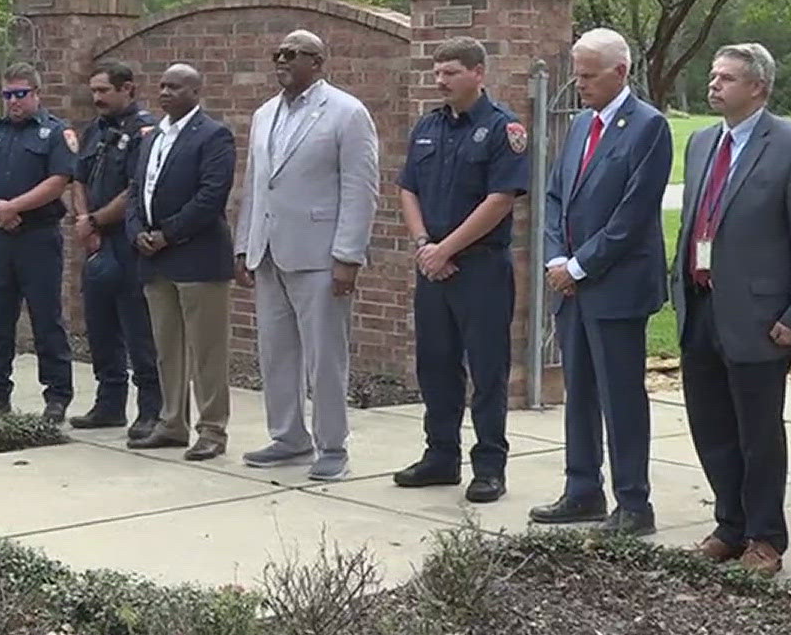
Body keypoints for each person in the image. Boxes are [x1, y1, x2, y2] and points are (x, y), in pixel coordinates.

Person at [672, 43, 791, 576]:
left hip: (762, 319)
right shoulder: (700, 143)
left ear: (758, 88)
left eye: (726, 78)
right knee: (711, 424)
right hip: (701, 309)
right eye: (713, 76)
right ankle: (730, 525)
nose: (713, 85)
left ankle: (765, 538)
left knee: (758, 431)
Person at [532, 27, 673, 536]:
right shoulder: (578, 126)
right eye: (576, 72)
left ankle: (634, 503)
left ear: (621, 72)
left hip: (616, 287)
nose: (579, 83)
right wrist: (555, 257)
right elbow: (554, 197)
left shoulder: (648, 128)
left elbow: (631, 215)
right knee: (581, 392)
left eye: (589, 75)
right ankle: (582, 489)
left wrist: (578, 266)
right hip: (571, 285)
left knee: (620, 396)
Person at [234, 29, 380, 480]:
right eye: (277, 53)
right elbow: (257, 182)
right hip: (270, 249)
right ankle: (289, 436)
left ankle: (332, 445)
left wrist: (348, 255)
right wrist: (244, 244)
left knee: (325, 355)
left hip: (320, 253)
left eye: (292, 54)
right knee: (276, 350)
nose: (281, 60)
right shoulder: (264, 114)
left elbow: (361, 187)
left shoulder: (346, 112)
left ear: (317, 62)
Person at [394, 37, 530, 504]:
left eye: (450, 72)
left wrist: (446, 248)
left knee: (487, 370)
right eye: (437, 73)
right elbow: (407, 188)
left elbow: (500, 199)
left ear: (478, 74)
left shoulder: (502, 129)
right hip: (433, 268)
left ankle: (489, 466)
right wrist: (423, 245)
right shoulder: (428, 127)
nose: (440, 81)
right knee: (435, 364)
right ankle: (440, 456)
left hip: (481, 268)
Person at [126, 64, 238, 460]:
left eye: (174, 86)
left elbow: (211, 196)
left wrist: (168, 233)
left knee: (206, 349)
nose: (164, 92)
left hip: (198, 258)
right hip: (155, 261)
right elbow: (138, 189)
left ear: (195, 90)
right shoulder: (153, 136)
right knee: (167, 347)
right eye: (161, 85)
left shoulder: (213, 135)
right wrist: (137, 229)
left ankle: (212, 429)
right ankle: (172, 422)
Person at [0, 63, 77, 421]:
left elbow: (59, 180)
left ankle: (56, 396)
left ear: (36, 94)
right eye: (7, 94)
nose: (13, 101)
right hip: (0, 238)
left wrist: (14, 207)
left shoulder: (54, 133)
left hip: (38, 237)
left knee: (46, 319)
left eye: (20, 94)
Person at [69, 61, 162, 439]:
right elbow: (78, 177)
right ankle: (109, 404)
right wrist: (83, 221)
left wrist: (95, 221)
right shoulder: (96, 130)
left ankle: (151, 410)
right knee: (100, 326)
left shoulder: (145, 132)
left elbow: (136, 189)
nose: (97, 98)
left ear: (128, 89)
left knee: (138, 329)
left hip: (127, 242)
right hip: (96, 242)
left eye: (104, 91)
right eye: (94, 91)